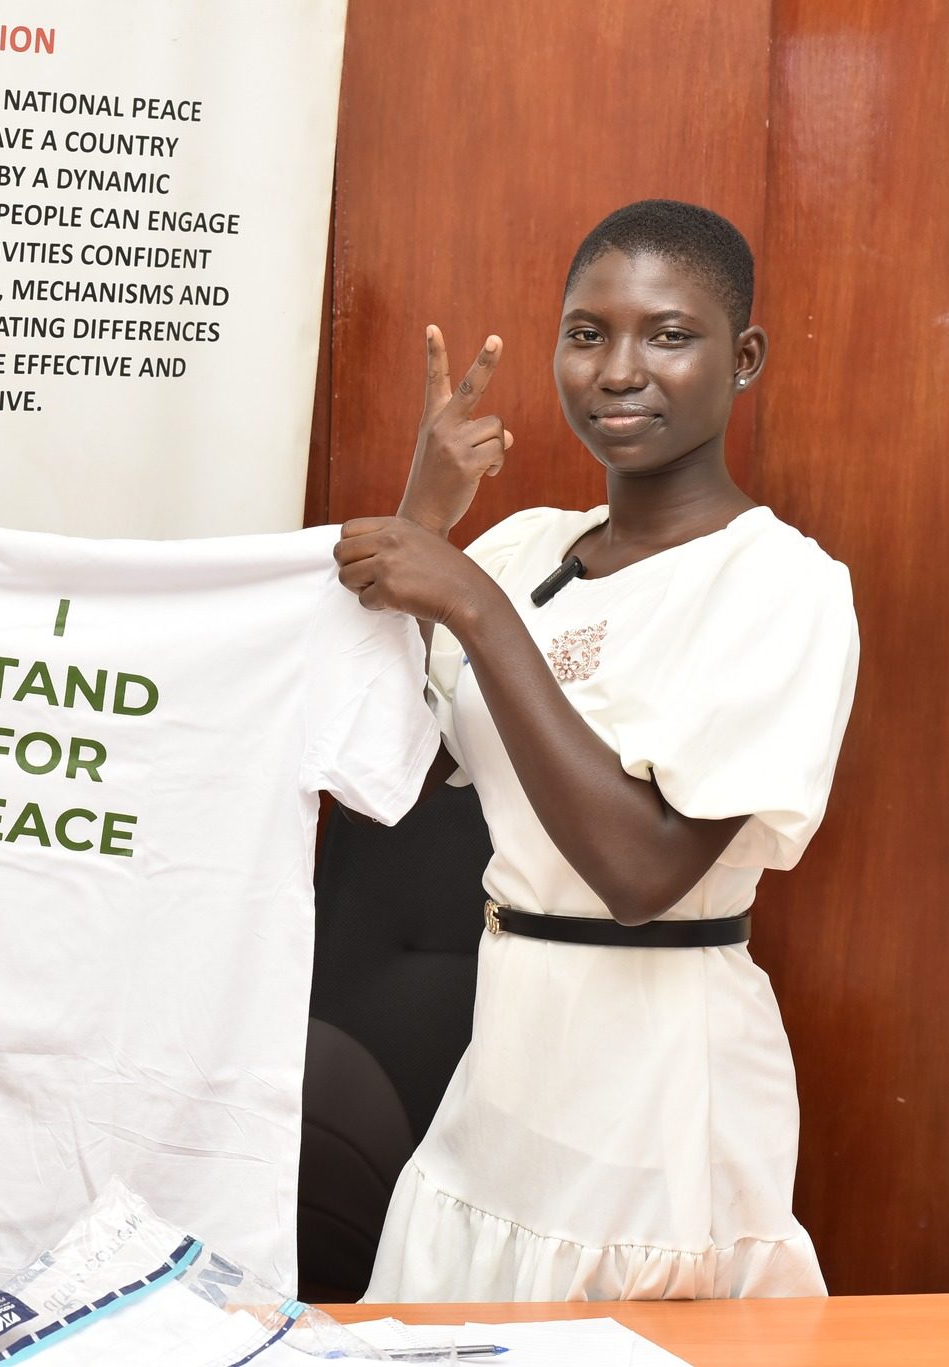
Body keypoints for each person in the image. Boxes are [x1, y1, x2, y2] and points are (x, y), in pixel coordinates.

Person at [336, 200, 857, 1301]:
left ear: (742, 356)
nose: (620, 369)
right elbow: (387, 737)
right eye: (587, 333)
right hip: (509, 1063)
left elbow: (638, 871)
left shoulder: (776, 585)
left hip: (659, 1079)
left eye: (667, 334)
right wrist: (426, 514)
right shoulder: (523, 545)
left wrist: (475, 603)